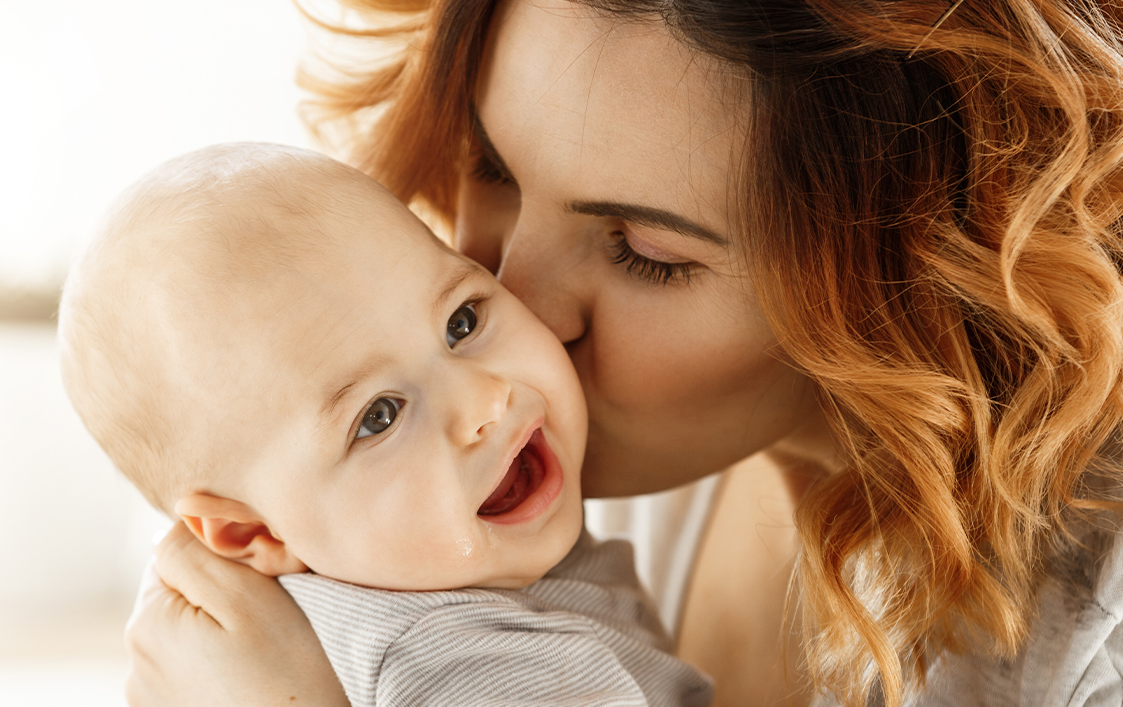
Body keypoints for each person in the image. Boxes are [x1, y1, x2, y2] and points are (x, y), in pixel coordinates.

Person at [120, 1, 1123, 705]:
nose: (507, 306)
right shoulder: (507, 489)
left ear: (905, 266)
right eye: (493, 167)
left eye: (641, 251)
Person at [59, 142, 713, 706]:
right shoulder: (454, 662)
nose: (484, 401)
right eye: (379, 415)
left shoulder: (435, 567)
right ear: (249, 529)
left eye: (463, 320)